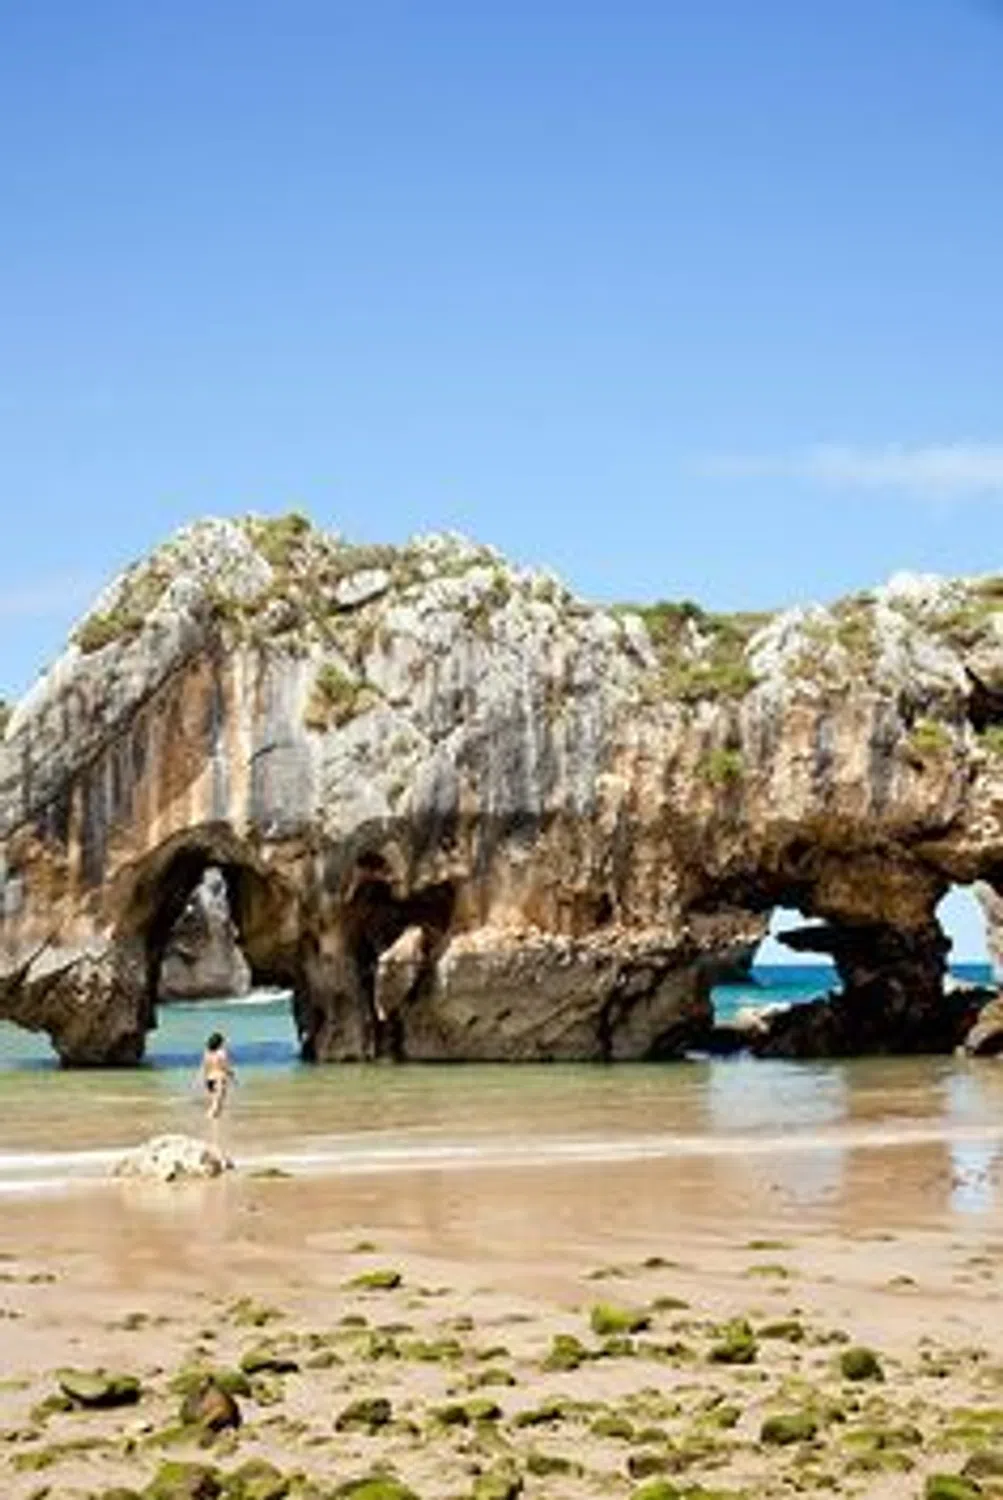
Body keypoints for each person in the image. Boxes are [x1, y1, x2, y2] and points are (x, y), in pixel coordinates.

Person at [200, 1031, 235, 1120]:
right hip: (219, 1079)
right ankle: (210, 1122)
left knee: (215, 1102)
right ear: (219, 1042)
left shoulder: (207, 1053)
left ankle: (215, 1122)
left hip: (209, 1079)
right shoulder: (222, 1053)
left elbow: (204, 1067)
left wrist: (204, 1079)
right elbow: (225, 1066)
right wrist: (231, 1074)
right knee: (217, 1103)